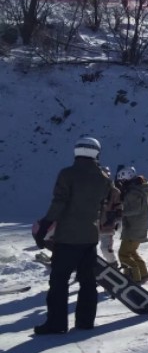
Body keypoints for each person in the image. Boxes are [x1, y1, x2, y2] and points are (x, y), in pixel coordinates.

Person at [33, 137, 118, 335]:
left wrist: (45, 225)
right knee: (88, 282)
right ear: (97, 153)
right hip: (89, 237)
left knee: (59, 281)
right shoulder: (104, 179)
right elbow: (105, 201)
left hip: (67, 238)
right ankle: (85, 321)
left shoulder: (67, 174)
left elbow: (59, 203)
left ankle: (56, 323)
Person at [116, 166, 148, 284]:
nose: (121, 183)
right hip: (140, 225)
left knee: (123, 254)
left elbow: (135, 210)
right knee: (132, 252)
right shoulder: (142, 188)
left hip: (133, 227)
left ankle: (133, 277)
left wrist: (121, 212)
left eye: (122, 180)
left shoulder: (133, 191)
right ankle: (143, 275)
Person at [98, 166, 124, 265]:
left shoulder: (114, 191)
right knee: (87, 247)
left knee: (105, 249)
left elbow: (119, 207)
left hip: (107, 224)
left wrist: (117, 219)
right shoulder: (92, 190)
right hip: (93, 224)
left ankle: (113, 264)